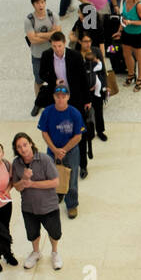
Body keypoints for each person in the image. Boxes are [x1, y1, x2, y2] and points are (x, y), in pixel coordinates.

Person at [11, 132, 62, 270]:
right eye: (19, 147)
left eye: (25, 145)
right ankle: (36, 252)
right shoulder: (16, 163)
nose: (23, 149)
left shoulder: (44, 159)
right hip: (29, 207)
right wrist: (24, 180)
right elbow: (16, 186)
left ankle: (55, 252)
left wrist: (32, 184)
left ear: (31, 143)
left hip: (49, 206)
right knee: (32, 232)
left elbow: (55, 182)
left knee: (54, 232)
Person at [38, 85, 84, 220]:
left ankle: (72, 204)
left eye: (63, 97)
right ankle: (58, 194)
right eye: (58, 96)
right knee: (53, 176)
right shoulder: (47, 112)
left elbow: (78, 136)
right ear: (54, 97)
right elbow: (44, 132)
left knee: (72, 177)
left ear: (68, 97)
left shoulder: (74, 113)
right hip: (52, 151)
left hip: (70, 152)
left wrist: (63, 150)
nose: (60, 99)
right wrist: (54, 149)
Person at [37, 30, 90, 118]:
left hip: (74, 94)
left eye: (59, 46)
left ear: (64, 43)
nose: (57, 49)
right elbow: (42, 74)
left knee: (77, 121)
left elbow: (83, 78)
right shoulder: (46, 55)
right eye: (54, 46)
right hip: (57, 96)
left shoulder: (76, 56)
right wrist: (54, 81)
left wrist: (87, 99)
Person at [24, 0, 58, 115]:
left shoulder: (52, 15)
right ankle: (38, 102)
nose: (41, 5)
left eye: (42, 2)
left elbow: (57, 34)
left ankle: (54, 101)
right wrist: (49, 36)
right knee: (38, 80)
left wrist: (40, 35)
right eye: (38, 3)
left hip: (53, 54)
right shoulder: (29, 20)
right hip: (37, 55)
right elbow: (32, 39)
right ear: (33, 5)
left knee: (54, 79)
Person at [76, 31, 108, 154]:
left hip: (97, 88)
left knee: (99, 110)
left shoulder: (96, 51)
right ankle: (88, 132)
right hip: (84, 90)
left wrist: (104, 86)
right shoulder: (76, 54)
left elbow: (102, 70)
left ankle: (100, 130)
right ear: (80, 42)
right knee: (85, 113)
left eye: (89, 41)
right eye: (85, 41)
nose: (88, 44)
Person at [116, 0, 141, 89]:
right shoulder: (124, 1)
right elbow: (123, 17)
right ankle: (131, 74)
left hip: (137, 35)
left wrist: (131, 22)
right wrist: (119, 30)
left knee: (139, 57)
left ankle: (140, 79)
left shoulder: (138, 5)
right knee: (126, 55)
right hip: (126, 33)